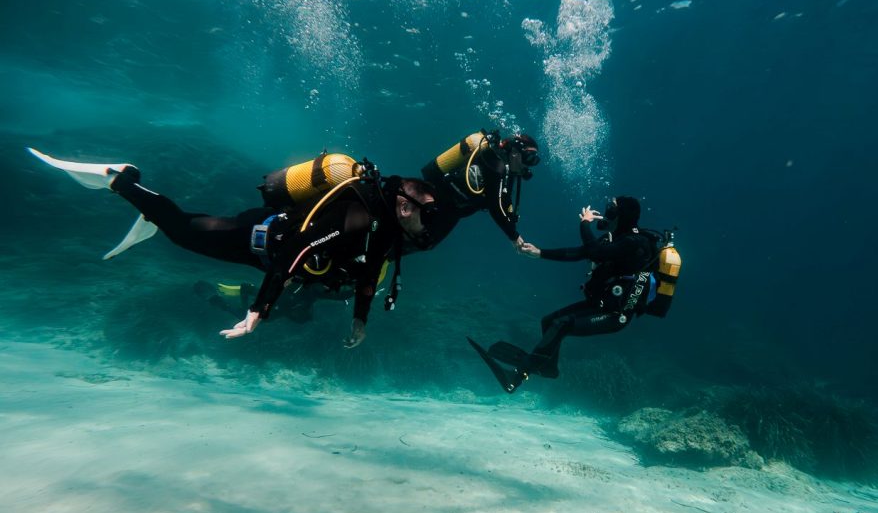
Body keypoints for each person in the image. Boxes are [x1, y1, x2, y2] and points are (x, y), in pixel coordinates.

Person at [107, 162, 436, 348]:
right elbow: (296, 251)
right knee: (181, 231)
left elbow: (369, 275)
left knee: (189, 226)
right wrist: (258, 309)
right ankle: (124, 181)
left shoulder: (385, 227)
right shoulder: (358, 218)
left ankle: (153, 213)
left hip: (265, 251)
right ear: (405, 207)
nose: (430, 225)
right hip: (258, 237)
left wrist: (360, 320)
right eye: (428, 214)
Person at [468, 196, 680, 392]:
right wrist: (540, 253)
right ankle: (548, 369)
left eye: (612, 208)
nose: (607, 211)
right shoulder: (615, 240)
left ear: (621, 214)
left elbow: (594, 252)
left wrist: (584, 223)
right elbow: (579, 252)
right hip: (600, 304)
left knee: (562, 325)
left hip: (616, 315)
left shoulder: (636, 243)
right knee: (549, 321)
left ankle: (517, 377)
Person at [420, 130, 540, 251]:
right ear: (516, 152)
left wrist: (511, 223)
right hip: (440, 199)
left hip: (452, 207)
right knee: (423, 241)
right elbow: (495, 206)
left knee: (426, 242)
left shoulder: (504, 166)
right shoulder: (497, 165)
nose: (528, 165)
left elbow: (504, 197)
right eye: (529, 158)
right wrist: (513, 236)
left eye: (533, 160)